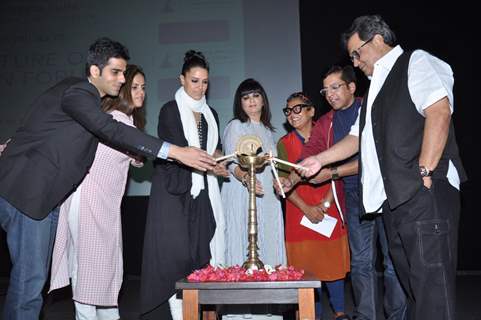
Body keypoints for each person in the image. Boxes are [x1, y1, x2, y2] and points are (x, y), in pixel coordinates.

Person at [0, 38, 215, 320]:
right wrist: (174, 151)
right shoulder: (78, 92)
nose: (122, 79)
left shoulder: (86, 104)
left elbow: (48, 132)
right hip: (28, 193)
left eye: (124, 72)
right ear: (94, 71)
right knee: (30, 281)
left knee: (30, 280)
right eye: (116, 72)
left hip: (45, 199)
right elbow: (109, 129)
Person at [299, 15, 466, 320]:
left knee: (432, 292)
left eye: (356, 52)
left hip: (423, 197)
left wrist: (425, 173)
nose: (355, 61)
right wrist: (319, 160)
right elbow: (356, 141)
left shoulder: (417, 62)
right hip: (395, 204)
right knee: (414, 291)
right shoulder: (375, 88)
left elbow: (439, 112)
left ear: (376, 40)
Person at [281, 66, 406, 320]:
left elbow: (378, 159)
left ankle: (397, 316)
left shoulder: (372, 109)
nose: (330, 94)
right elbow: (308, 157)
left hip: (385, 195)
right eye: (325, 90)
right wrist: (290, 180)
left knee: (392, 264)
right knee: (360, 264)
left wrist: (334, 172)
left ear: (351, 87)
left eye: (335, 87)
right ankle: (366, 316)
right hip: (352, 197)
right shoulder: (325, 123)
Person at [48, 64, 147, 320]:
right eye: (134, 87)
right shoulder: (107, 120)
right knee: (88, 267)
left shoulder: (127, 123)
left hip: (106, 207)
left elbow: (138, 155)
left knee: (105, 269)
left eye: (143, 88)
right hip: (86, 199)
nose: (140, 92)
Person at [140, 50, 227, 320]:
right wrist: (208, 161)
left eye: (205, 82)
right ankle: (180, 315)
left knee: (204, 256)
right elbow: (180, 152)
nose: (200, 87)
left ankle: (204, 312)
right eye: (194, 81)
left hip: (204, 195)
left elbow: (214, 151)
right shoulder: (169, 110)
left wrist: (220, 164)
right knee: (175, 261)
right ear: (182, 79)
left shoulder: (211, 113)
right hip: (174, 194)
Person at [277, 92, 350, 320]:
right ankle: (312, 315)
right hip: (299, 215)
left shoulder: (329, 134)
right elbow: (282, 183)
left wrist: (326, 203)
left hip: (330, 208)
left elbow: (339, 172)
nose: (292, 115)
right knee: (306, 270)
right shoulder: (284, 143)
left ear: (311, 111)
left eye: (297, 109)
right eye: (288, 111)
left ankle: (340, 313)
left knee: (334, 265)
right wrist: (307, 209)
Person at [222, 78, 286, 268]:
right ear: (239, 103)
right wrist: (246, 179)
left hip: (266, 192)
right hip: (242, 191)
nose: (251, 101)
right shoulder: (236, 126)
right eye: (246, 97)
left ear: (263, 100)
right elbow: (231, 162)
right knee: (241, 238)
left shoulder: (267, 130)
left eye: (256, 96)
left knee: (268, 242)